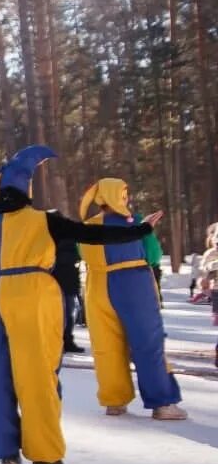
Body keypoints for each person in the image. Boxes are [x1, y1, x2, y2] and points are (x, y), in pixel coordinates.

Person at [0, 147, 161, 464]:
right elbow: (93, 234)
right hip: (32, 293)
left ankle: (5, 451)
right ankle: (45, 454)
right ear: (26, 191)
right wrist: (139, 230)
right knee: (37, 373)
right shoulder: (43, 220)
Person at [79, 179, 186, 420]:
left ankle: (114, 401)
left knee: (106, 344)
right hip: (133, 284)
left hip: (97, 286)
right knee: (147, 342)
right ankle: (163, 403)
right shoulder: (135, 223)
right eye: (124, 195)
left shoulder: (87, 226)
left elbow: (80, 252)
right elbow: (154, 255)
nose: (127, 199)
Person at [52, 237, 84, 353]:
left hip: (66, 278)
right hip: (60, 278)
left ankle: (66, 341)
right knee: (64, 313)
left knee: (68, 313)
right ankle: (63, 342)